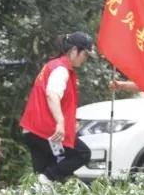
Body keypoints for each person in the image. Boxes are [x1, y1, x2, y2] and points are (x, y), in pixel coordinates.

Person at [19, 32, 94, 184]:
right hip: (45, 131)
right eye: (85, 54)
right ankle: (47, 178)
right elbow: (52, 94)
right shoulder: (61, 69)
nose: (86, 59)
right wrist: (60, 122)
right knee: (82, 154)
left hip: (33, 131)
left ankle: (43, 184)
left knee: (45, 175)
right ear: (74, 50)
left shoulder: (53, 65)